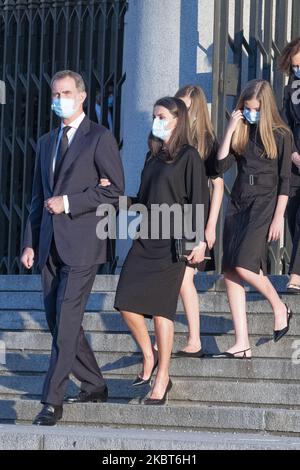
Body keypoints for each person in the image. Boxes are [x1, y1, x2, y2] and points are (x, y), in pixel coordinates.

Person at [21, 70, 124, 425]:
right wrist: (30, 242)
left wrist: (68, 202)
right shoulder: (47, 141)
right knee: (58, 321)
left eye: (65, 92)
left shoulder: (99, 137)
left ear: (81, 96)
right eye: (54, 93)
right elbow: (36, 197)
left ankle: (52, 400)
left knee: (66, 320)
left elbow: (115, 190)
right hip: (49, 245)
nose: (58, 99)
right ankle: (94, 383)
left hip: (83, 245)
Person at [114, 97, 208, 404]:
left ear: (178, 120)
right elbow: (143, 200)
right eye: (154, 115)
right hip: (146, 238)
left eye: (162, 116)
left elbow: (198, 200)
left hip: (173, 242)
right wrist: (116, 200)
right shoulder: (151, 156)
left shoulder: (189, 156)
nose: (156, 120)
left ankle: (163, 376)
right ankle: (149, 355)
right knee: (125, 301)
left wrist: (199, 241)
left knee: (160, 311)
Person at [215, 79, 292, 358]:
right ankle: (241, 342)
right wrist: (230, 129)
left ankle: (279, 306)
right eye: (246, 108)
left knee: (245, 265)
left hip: (264, 202)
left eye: (256, 108)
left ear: (266, 107)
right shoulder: (242, 131)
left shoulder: (281, 135)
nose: (251, 113)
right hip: (239, 201)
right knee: (231, 271)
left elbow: (285, 181)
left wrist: (278, 218)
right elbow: (219, 165)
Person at [172, 85, 224, 357]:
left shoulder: (206, 140)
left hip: (196, 218)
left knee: (184, 278)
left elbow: (218, 185)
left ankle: (194, 339)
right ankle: (163, 336)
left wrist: (210, 226)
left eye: (185, 105)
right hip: (170, 216)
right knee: (171, 278)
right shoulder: (172, 137)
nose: (180, 110)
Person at [279, 38, 300, 292]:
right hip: (294, 163)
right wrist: (293, 155)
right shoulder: (290, 90)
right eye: (293, 67)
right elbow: (284, 128)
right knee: (293, 215)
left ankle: (296, 273)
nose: (297, 71)